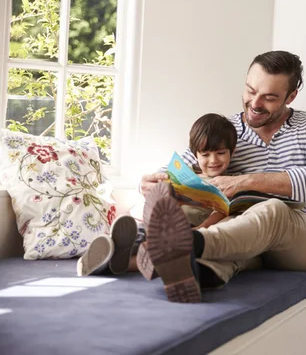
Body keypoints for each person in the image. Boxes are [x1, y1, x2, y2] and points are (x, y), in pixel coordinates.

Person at [140, 50, 306, 303]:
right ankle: (191, 271)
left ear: (291, 96)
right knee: (227, 241)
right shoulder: (226, 130)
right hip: (246, 236)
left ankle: (188, 242)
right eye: (250, 90)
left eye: (269, 98)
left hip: (300, 240)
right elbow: (182, 166)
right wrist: (153, 181)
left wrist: (243, 181)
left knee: (272, 210)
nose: (255, 103)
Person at [77, 113, 238, 277]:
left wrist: (200, 229)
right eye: (205, 154)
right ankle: (111, 250)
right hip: (163, 223)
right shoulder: (186, 174)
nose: (213, 160)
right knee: (141, 234)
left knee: (164, 251)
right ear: (195, 154)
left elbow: (222, 211)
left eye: (220, 153)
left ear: (232, 152)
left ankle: (110, 264)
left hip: (188, 229)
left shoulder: (232, 182)